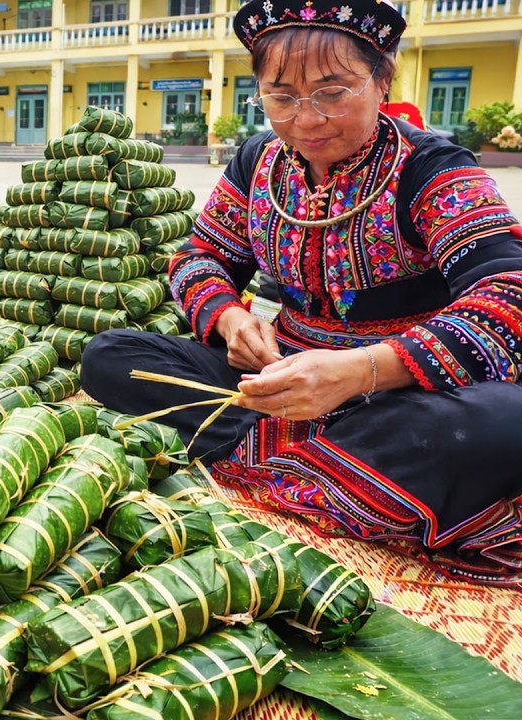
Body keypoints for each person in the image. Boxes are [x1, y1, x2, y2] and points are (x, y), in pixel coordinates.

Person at [82, 0, 522, 586]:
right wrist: (231, 324)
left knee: (501, 423)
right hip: (281, 377)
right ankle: (339, 465)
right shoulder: (258, 161)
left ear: (382, 79)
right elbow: (200, 256)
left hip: (403, 392)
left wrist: (360, 371)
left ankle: (281, 455)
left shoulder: (432, 168)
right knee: (111, 357)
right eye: (281, 95)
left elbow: (509, 294)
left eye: (333, 91)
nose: (306, 119)